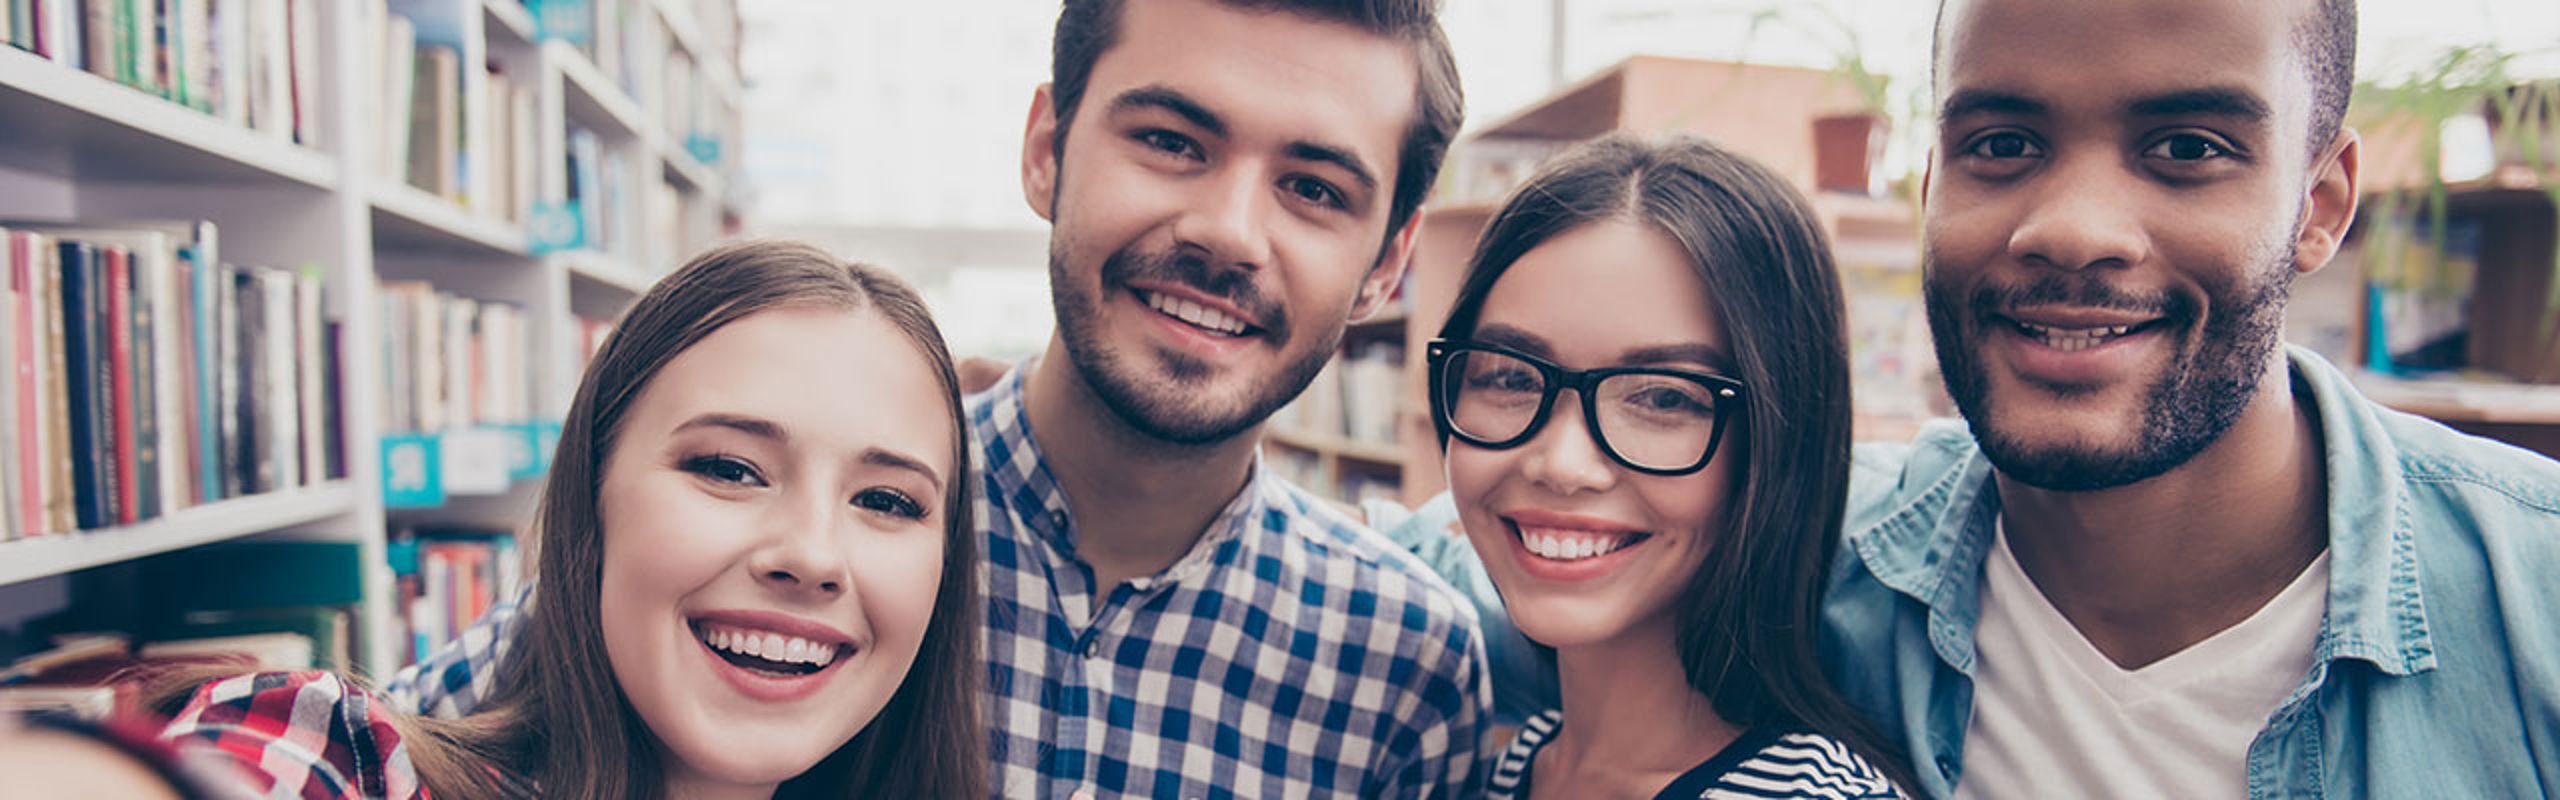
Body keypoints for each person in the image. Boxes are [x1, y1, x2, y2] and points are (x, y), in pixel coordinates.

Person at [1398, 0, 2560, 797]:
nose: (2072, 227)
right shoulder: (1806, 541)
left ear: (2320, 200)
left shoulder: (2531, 609)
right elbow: (1433, 572)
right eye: (2002, 140)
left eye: (2188, 147)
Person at [390, 0, 1492, 796]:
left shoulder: (1409, 666)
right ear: (1047, 148)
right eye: (1169, 141)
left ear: (1391, 261)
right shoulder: (780, 533)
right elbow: (408, 743)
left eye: (1312, 188)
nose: (1226, 232)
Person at [0, 241, 987, 798]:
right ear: (590, 505)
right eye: (728, 467)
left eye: (888, 500)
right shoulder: (360, 757)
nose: (812, 553)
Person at [1430, 134, 1909, 799]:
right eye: (1510, 377)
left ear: (1774, 446)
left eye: (1662, 397)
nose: (1562, 464)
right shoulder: (1520, 762)